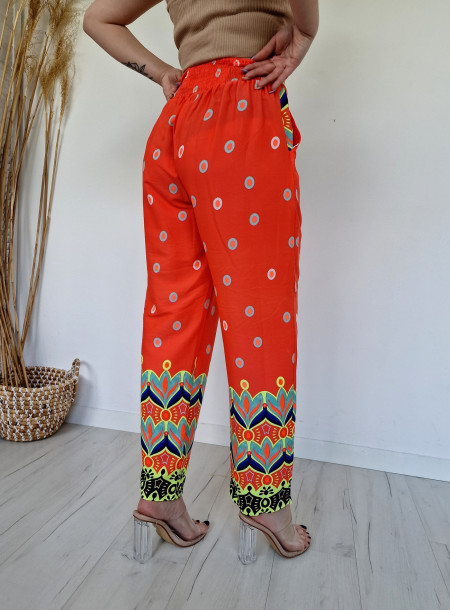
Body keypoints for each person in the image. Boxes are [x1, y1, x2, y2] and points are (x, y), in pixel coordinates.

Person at [83, 0, 319, 560]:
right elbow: (304, 19)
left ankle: (160, 496)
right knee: (259, 314)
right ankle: (265, 502)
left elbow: (97, 19)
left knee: (175, 312)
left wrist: (165, 73)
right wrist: (304, 35)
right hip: (243, 117)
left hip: (177, 124)